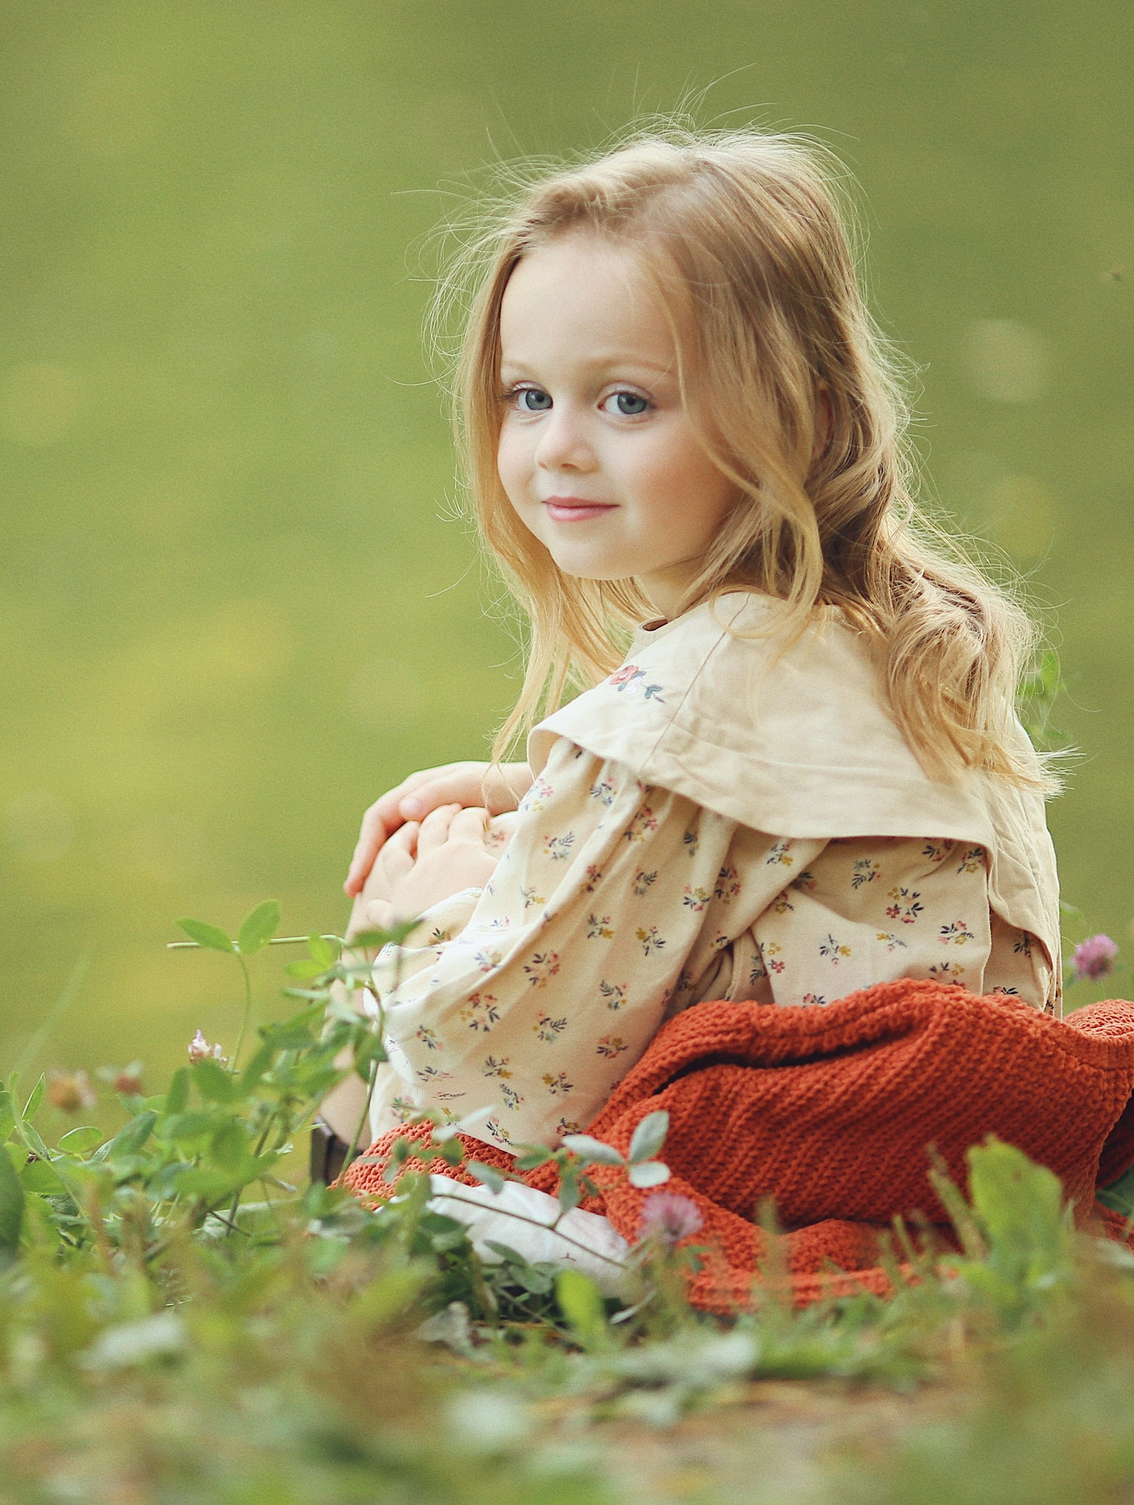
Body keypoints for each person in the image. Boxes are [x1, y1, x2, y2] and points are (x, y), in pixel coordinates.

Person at [321, 127, 1063, 1168]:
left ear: (794, 416)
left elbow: (491, 1107)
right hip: (943, 1168)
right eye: (529, 396)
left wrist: (423, 909)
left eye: (626, 401)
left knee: (415, 886)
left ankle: (310, 1212)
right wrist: (545, 802)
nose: (558, 448)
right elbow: (764, 852)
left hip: (787, 1177)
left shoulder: (695, 696)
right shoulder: (896, 633)